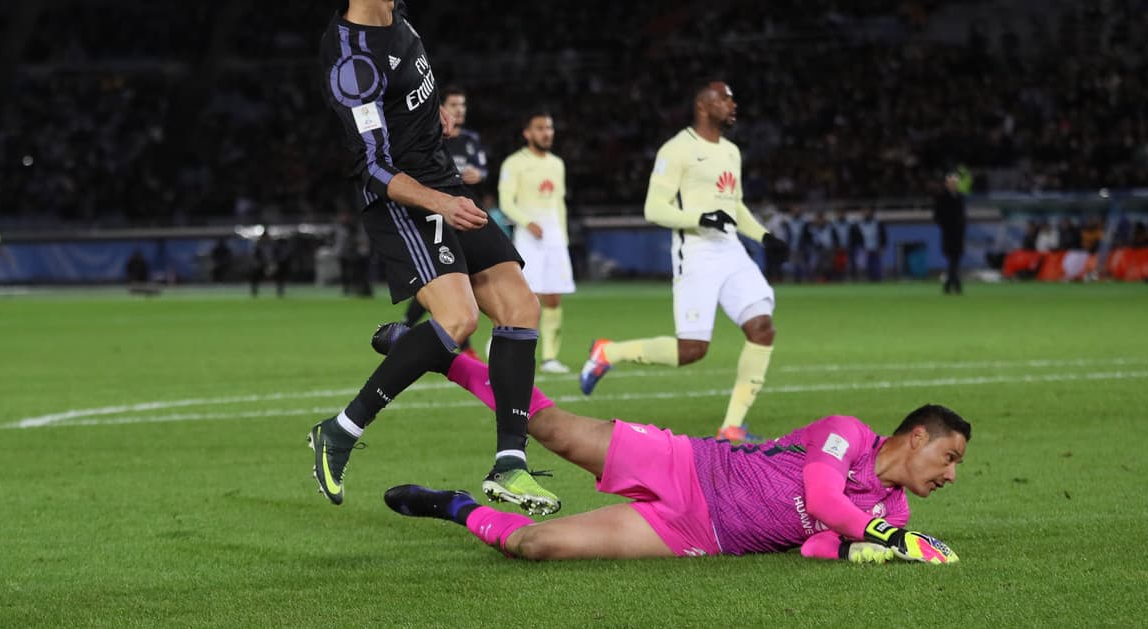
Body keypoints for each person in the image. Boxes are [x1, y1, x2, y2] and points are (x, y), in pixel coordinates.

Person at [310, 0, 557, 513]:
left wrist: (433, 123)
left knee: (520, 307)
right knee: (459, 318)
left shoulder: (399, 20)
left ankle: (510, 465)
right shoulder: (351, 60)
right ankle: (341, 430)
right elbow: (369, 165)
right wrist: (441, 198)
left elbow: (408, 101)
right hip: (403, 200)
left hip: (443, 181)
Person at [384, 352, 968, 564]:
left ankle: (455, 506)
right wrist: (880, 536)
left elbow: (816, 541)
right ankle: (442, 357)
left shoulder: (895, 513)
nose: (950, 474)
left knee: (538, 546)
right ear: (916, 436)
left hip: (696, 531)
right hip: (690, 465)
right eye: (948, 457)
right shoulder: (847, 435)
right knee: (552, 428)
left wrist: (874, 550)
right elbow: (821, 499)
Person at [580, 82, 788, 442]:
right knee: (693, 349)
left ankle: (731, 427)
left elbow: (734, 205)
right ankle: (609, 352)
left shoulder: (731, 152)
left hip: (731, 250)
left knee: (762, 327)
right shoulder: (676, 149)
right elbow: (654, 208)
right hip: (696, 253)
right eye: (725, 98)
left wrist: (764, 236)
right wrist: (701, 218)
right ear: (703, 106)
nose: (732, 104)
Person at [401, 86, 489, 361]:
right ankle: (462, 346)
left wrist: (479, 174)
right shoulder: (432, 137)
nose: (460, 109)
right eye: (454, 104)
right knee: (447, 275)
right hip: (439, 213)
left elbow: (483, 169)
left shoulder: (472, 140)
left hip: (464, 210)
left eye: (463, 104)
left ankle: (406, 330)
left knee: (452, 277)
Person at [498, 110, 575, 374]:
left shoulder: (557, 164)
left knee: (553, 298)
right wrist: (526, 221)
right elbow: (506, 203)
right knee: (524, 299)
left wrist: (562, 238)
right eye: (540, 128)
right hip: (528, 239)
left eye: (549, 128)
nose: (547, 133)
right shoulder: (514, 164)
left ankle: (550, 358)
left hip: (553, 239)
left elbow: (559, 204)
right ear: (527, 133)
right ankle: (502, 342)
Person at [933, 171, 966, 295]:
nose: (953, 185)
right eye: (951, 182)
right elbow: (937, 217)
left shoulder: (960, 197)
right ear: (946, 184)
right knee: (953, 260)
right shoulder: (942, 198)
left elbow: (962, 216)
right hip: (948, 234)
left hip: (959, 235)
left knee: (955, 260)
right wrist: (946, 226)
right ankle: (954, 285)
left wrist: (961, 227)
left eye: (955, 183)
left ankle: (950, 284)